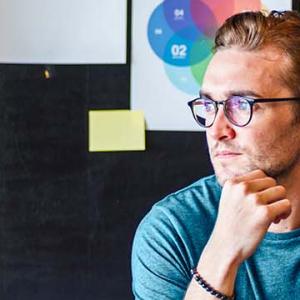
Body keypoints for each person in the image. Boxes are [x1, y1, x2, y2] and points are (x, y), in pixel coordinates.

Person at [131, 10, 300, 300]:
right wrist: (222, 252)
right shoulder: (173, 230)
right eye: (209, 105)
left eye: (242, 104)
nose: (217, 129)